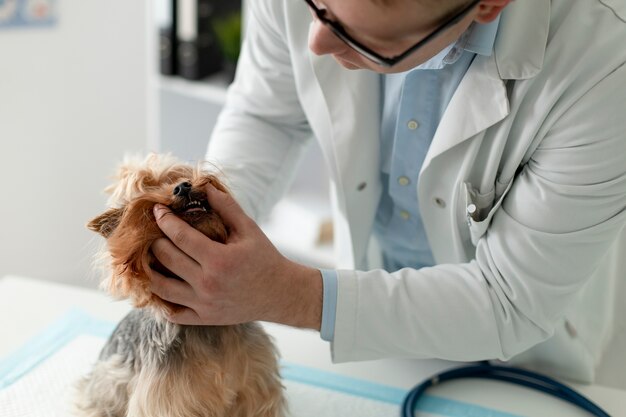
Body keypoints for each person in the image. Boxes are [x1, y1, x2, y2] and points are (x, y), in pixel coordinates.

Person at [149, 0, 626, 383]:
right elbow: (266, 114)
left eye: (364, 39)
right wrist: (211, 229)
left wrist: (291, 295)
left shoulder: (604, 58)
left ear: (488, 6)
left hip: (522, 363)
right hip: (368, 320)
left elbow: (508, 300)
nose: (315, 43)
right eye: (316, 7)